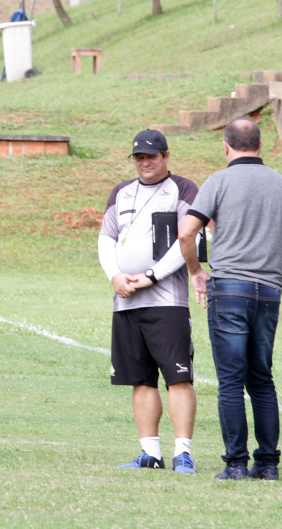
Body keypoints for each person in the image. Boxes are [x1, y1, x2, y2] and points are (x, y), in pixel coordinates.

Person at [178, 118, 282, 481]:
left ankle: (235, 464)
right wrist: (276, 279)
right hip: (268, 292)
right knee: (261, 378)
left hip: (229, 287)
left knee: (231, 380)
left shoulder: (219, 181)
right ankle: (267, 465)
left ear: (226, 146)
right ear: (260, 145)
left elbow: (187, 232)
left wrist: (196, 272)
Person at [98, 129, 199, 474]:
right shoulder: (120, 192)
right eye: (139, 157)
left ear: (166, 156)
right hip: (126, 301)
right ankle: (149, 453)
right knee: (140, 380)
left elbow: (192, 237)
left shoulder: (183, 190)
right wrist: (115, 276)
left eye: (152, 156)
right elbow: (106, 239)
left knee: (178, 378)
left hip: (167, 300)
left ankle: (183, 452)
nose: (145, 162)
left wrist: (152, 276)